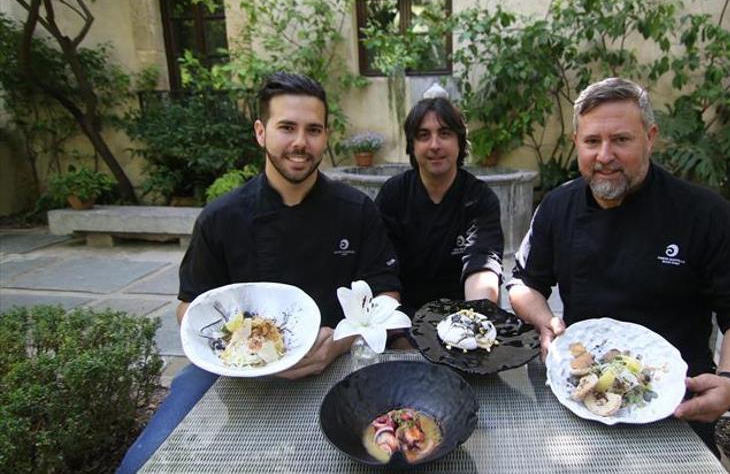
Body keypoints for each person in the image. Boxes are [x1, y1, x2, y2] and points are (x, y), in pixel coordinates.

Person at [117, 72, 401, 473]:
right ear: (260, 132)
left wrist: (337, 342)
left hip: (332, 367)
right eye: (287, 127)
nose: (301, 142)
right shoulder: (221, 217)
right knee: (142, 466)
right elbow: (189, 307)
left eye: (313, 129)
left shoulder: (357, 211)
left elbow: (387, 296)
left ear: (326, 137)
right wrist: (242, 350)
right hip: (234, 377)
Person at [507, 77, 730, 455]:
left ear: (650, 137)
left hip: (676, 407)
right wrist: (544, 320)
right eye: (592, 141)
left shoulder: (707, 216)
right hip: (580, 397)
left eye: (621, 140)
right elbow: (524, 282)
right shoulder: (557, 206)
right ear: (576, 145)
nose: (604, 155)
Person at [374, 91, 504, 314]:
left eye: (444, 133)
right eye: (424, 135)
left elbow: (481, 267)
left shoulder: (480, 198)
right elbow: (382, 273)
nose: (434, 145)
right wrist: (395, 332)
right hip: (403, 319)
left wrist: (474, 321)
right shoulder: (393, 196)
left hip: (461, 318)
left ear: (459, 142)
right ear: (412, 146)